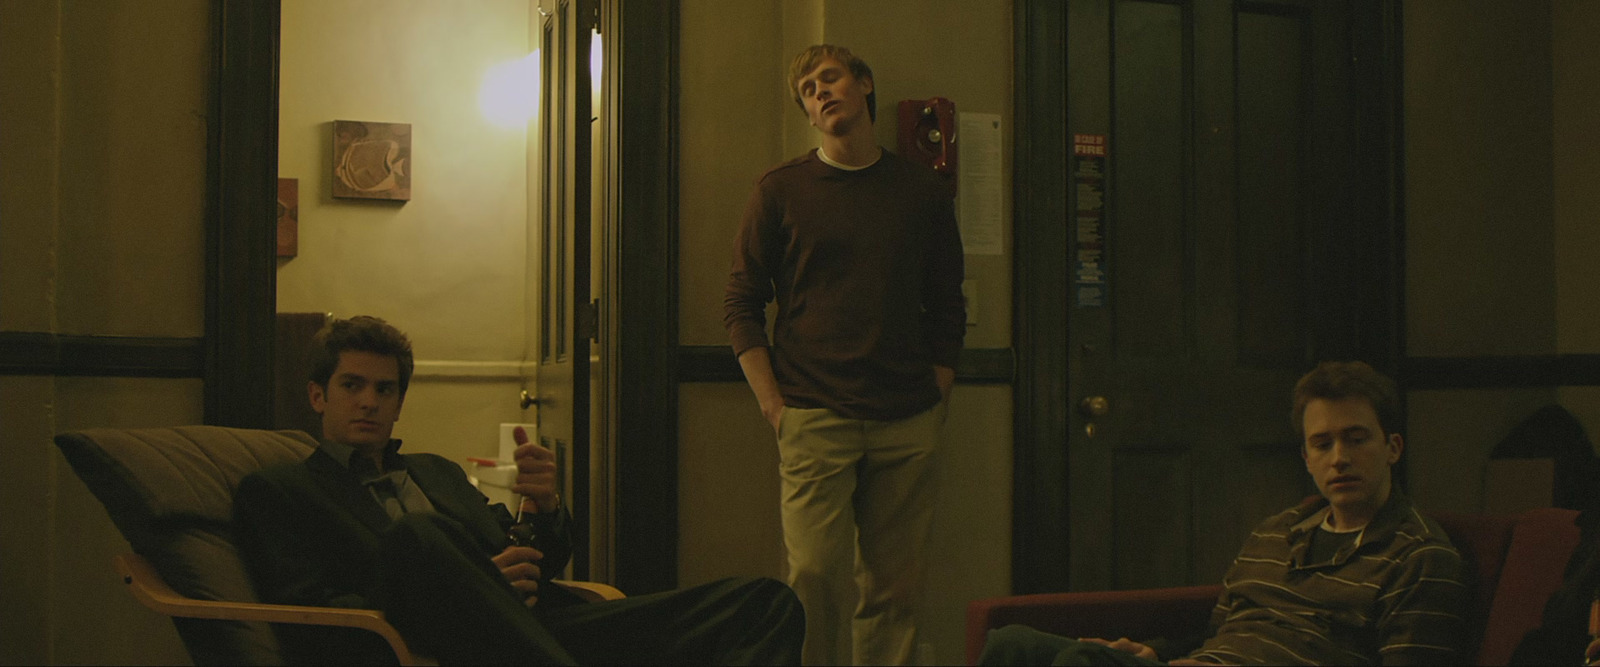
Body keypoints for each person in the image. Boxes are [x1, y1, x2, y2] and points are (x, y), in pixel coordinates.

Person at [234, 315, 803, 665]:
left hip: (536, 630)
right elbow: (310, 611)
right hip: (423, 643)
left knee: (765, 603)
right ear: (317, 396)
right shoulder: (281, 490)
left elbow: (537, 562)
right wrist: (466, 583)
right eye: (352, 386)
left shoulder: (436, 472)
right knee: (419, 536)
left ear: (399, 402)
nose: (368, 402)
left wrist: (546, 507)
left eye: (384, 390)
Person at [723, 44, 966, 665]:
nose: (820, 93)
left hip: (907, 416)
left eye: (829, 79)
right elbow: (741, 304)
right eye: (807, 90)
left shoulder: (921, 192)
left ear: (863, 85)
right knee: (812, 576)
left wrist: (934, 394)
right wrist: (774, 404)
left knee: (893, 589)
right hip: (812, 413)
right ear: (807, 113)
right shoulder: (780, 190)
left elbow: (947, 305)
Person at [980, 361, 1467, 665]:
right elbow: (1221, 632)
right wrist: (1160, 652)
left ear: (1393, 447)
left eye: (1356, 438)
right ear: (1306, 459)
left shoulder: (1419, 557)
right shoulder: (1278, 532)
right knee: (1012, 645)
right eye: (1322, 443)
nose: (1339, 457)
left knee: (1081, 664)